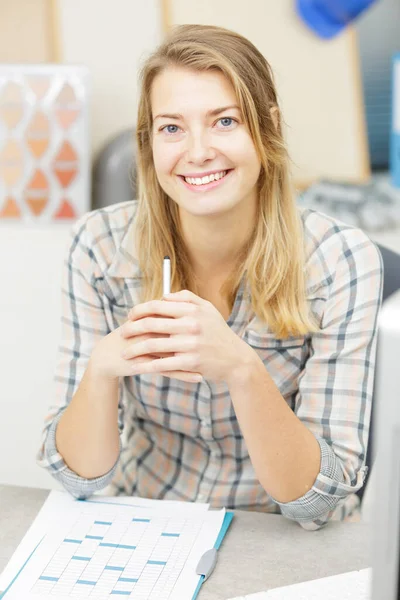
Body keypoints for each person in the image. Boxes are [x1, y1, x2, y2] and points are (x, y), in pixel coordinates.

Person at [37, 24, 383, 531]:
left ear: (268, 130)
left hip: (277, 536)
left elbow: (318, 504)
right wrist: (103, 370)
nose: (197, 152)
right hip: (149, 524)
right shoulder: (99, 247)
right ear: (149, 142)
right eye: (172, 128)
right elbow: (78, 480)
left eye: (224, 121)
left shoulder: (341, 262)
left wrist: (242, 370)